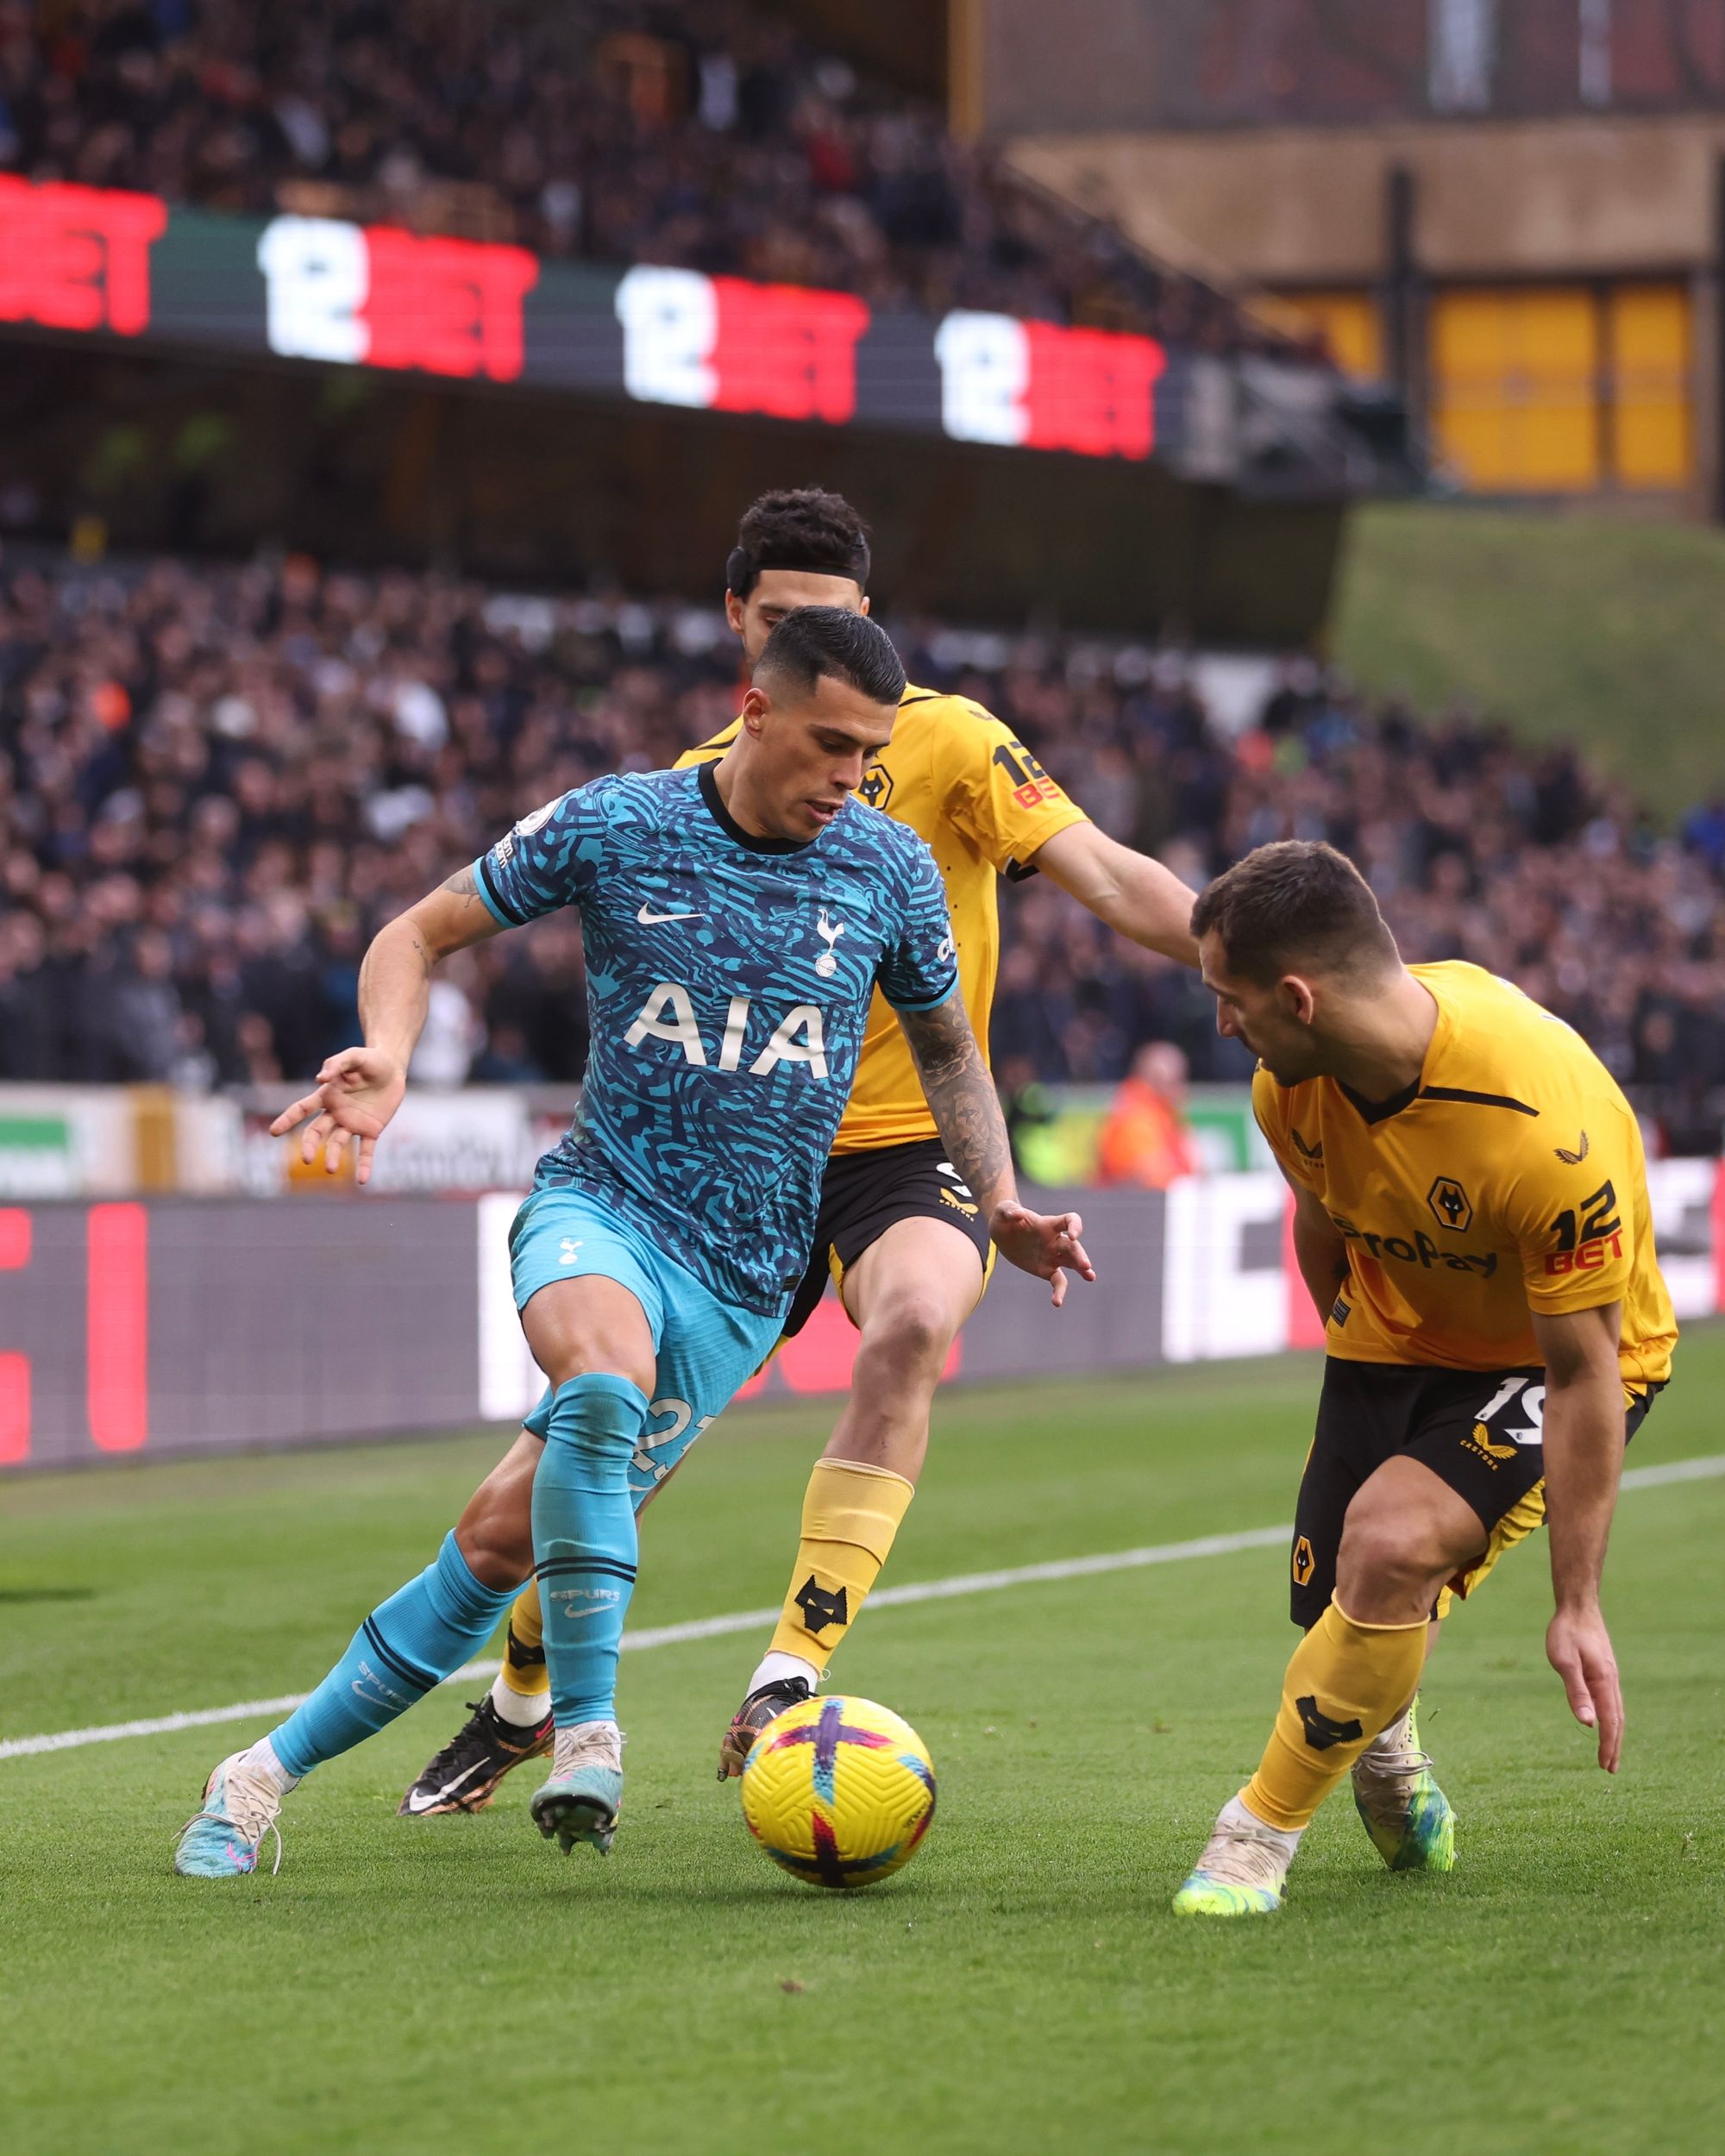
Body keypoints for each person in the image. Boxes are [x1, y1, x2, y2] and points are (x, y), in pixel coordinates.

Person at [173, 606, 1090, 1877]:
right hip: (601, 1206)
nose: (851, 774)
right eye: (829, 743)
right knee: (602, 1386)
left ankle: (255, 1773)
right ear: (755, 708)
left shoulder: (888, 866)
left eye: (869, 751)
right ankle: (588, 1733)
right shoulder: (618, 822)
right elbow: (416, 932)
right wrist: (387, 1053)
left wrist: (997, 1201)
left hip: (741, 1280)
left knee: (496, 1545)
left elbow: (949, 1051)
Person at [400, 486, 1198, 1815]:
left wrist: (1236, 951)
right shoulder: (698, 781)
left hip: (907, 1152)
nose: (810, 641)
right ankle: (525, 1698)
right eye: (780, 619)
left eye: (832, 617)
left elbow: (1107, 873)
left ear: (868, 618)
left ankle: (789, 1670)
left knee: (912, 1324)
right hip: (741, 1161)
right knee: (601, 1464)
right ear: (741, 628)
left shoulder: (954, 742)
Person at [1170, 841, 1676, 1916]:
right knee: (1340, 1609)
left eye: (1229, 998)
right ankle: (1389, 1758)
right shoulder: (1286, 1088)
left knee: (1390, 1544)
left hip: (1555, 1354)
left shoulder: (1542, 1133)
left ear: (1297, 997)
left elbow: (1582, 1371)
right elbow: (1322, 1221)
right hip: (1393, 1329)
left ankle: (1253, 1836)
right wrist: (1354, 1375)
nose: (1220, 1024)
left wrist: (1576, 1605)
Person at [1095, 1040, 1197, 1188]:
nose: (1183, 1089)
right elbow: (1150, 1178)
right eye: (1177, 1080)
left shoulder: (1163, 1114)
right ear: (1156, 1080)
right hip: (1133, 1201)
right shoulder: (1136, 1118)